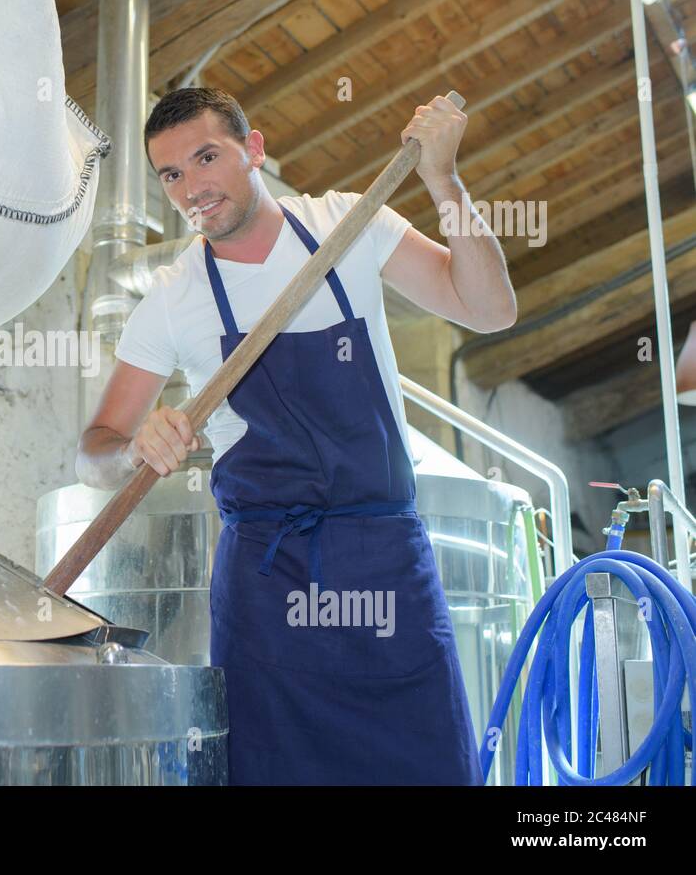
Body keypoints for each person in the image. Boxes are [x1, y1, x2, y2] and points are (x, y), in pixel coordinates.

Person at [75, 87, 517, 785]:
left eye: (206, 157)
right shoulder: (173, 297)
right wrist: (132, 447)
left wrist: (443, 178)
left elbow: (490, 309)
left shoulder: (350, 222)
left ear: (254, 150)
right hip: (267, 584)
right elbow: (94, 449)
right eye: (171, 175)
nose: (192, 187)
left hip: (386, 567)